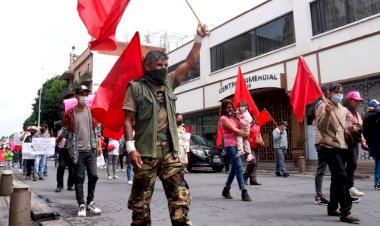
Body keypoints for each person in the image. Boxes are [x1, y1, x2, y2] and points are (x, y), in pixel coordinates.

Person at [123, 24, 208, 225]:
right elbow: (127, 120)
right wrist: (130, 148)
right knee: (140, 206)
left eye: (165, 65)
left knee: (180, 200)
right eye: (159, 65)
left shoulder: (170, 81)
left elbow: (190, 61)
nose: (164, 69)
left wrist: (198, 38)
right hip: (145, 153)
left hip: (170, 152)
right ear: (148, 67)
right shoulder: (135, 88)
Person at [316, 82, 360, 223]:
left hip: (341, 146)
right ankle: (345, 212)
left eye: (341, 92)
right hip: (328, 146)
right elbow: (321, 126)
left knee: (336, 178)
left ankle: (332, 207)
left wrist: (351, 128)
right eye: (336, 92)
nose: (339, 94)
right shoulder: (323, 106)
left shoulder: (342, 109)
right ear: (330, 93)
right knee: (342, 176)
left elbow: (345, 125)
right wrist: (328, 114)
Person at [62, 85, 102, 217]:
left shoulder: (92, 112)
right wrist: (65, 142)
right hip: (77, 152)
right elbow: (66, 131)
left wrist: (99, 146)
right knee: (79, 178)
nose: (84, 97)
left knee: (94, 176)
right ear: (76, 96)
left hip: (91, 150)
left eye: (86, 94)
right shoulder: (69, 113)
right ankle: (81, 204)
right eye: (81, 94)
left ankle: (90, 202)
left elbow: (97, 131)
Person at [219, 99, 252, 202]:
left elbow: (244, 126)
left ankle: (226, 189)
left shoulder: (234, 117)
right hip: (230, 145)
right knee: (238, 165)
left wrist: (248, 132)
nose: (231, 109)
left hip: (238, 144)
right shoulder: (223, 118)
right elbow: (235, 129)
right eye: (228, 107)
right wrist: (243, 133)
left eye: (231, 107)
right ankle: (243, 190)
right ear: (224, 109)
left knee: (234, 167)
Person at [343, 91, 366, 200]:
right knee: (351, 164)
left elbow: (359, 129)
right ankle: (348, 187)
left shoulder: (355, 113)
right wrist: (349, 127)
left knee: (352, 165)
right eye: (356, 100)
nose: (358, 103)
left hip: (354, 142)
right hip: (346, 142)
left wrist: (363, 141)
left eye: (358, 101)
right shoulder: (344, 111)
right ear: (349, 100)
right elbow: (341, 125)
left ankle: (349, 188)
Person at [313, 86, 330, 205]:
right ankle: (318, 195)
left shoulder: (321, 104)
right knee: (321, 169)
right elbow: (323, 123)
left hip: (322, 140)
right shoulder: (323, 105)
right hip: (322, 141)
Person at [362, 99, 380, 190]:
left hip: (376, 144)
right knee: (378, 163)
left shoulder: (372, 116)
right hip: (375, 145)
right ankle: (378, 183)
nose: (378, 107)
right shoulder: (370, 115)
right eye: (377, 106)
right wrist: (374, 109)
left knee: (378, 163)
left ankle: (378, 182)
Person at [243, 115, 263, 185]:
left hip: (257, 145)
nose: (253, 120)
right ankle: (244, 177)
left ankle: (253, 179)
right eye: (251, 119)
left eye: (254, 119)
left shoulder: (258, 126)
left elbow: (259, 134)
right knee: (252, 162)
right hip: (249, 146)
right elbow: (244, 136)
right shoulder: (246, 127)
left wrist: (261, 140)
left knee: (256, 163)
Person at [55, 128, 74, 192]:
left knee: (72, 169)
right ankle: (59, 185)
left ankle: (70, 185)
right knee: (61, 167)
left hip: (72, 151)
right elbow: (57, 140)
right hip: (63, 150)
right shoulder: (62, 129)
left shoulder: (75, 127)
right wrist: (60, 137)